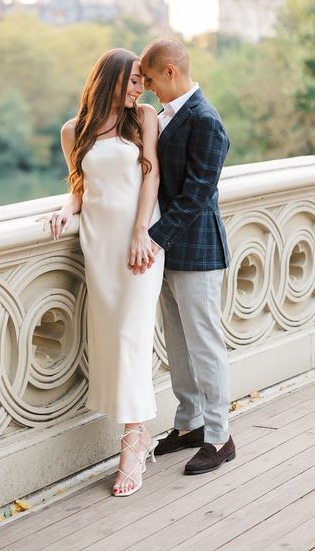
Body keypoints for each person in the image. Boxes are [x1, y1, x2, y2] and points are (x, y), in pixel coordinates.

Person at [44, 48, 164, 496]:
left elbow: (150, 178)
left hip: (139, 243)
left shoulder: (145, 118)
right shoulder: (74, 130)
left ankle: (133, 444)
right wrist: (63, 208)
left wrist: (141, 232)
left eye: (142, 81)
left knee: (132, 336)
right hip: (98, 243)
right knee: (113, 338)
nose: (140, 88)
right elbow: (79, 187)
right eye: (133, 80)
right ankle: (139, 435)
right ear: (110, 79)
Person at [139, 38, 235, 475]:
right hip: (168, 251)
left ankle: (219, 437)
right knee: (178, 344)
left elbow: (197, 193)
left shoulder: (205, 120)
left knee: (205, 345)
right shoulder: (165, 116)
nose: (150, 89)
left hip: (196, 248)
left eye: (153, 80)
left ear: (171, 72)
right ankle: (189, 423)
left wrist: (153, 237)